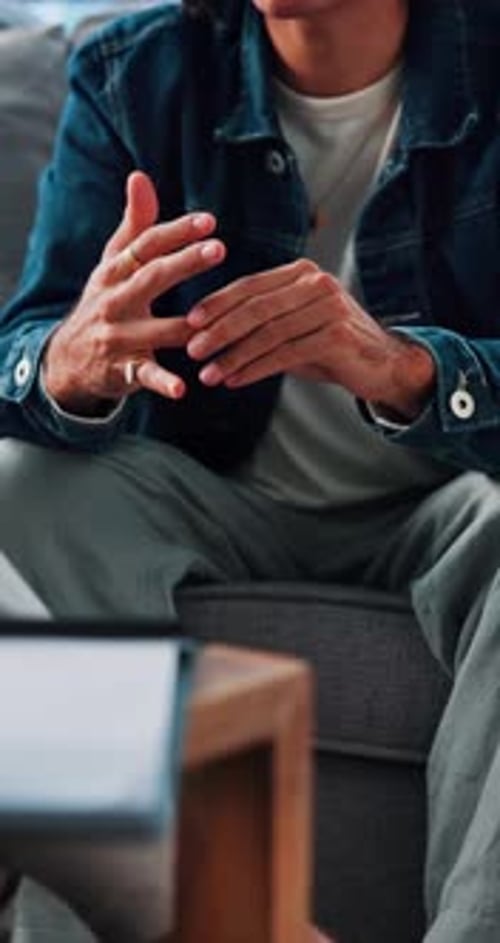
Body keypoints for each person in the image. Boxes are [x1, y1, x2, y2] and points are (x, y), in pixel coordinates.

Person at [0, 0, 500, 938]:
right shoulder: (131, 72)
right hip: (212, 494)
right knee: (16, 487)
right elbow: (27, 341)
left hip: (449, 499)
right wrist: (71, 355)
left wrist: (405, 367)